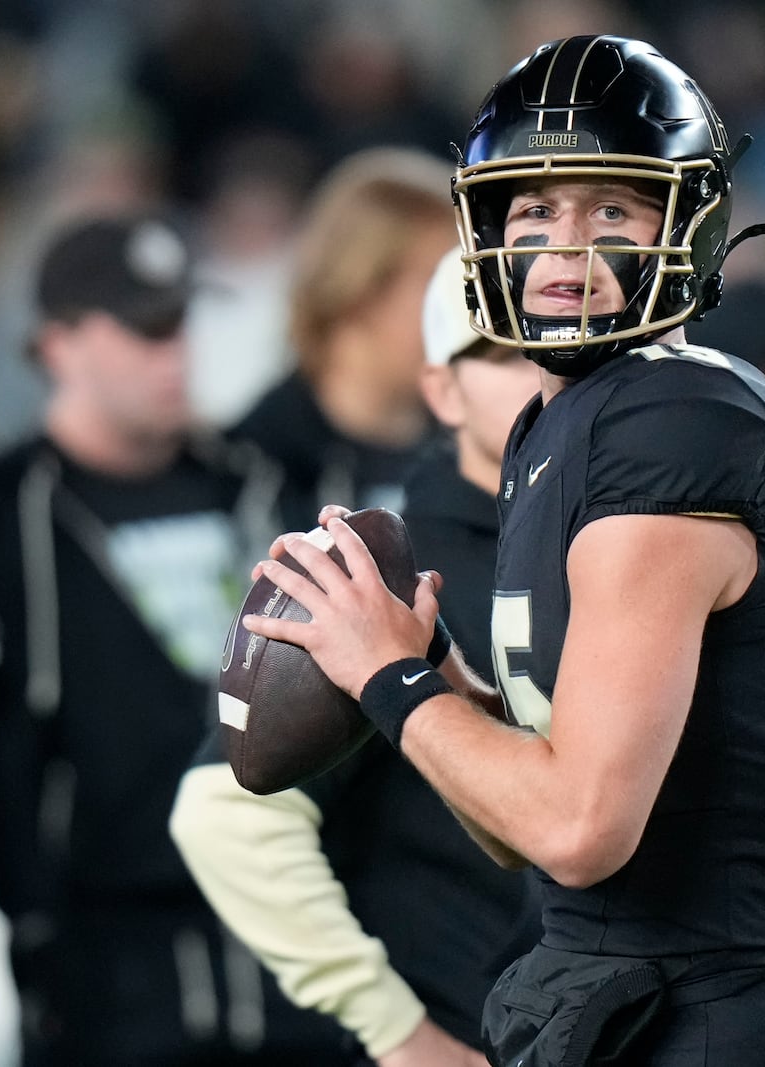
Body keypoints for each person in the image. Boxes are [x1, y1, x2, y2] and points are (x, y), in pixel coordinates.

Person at [243, 35, 765, 1067]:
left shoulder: (676, 418)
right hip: (629, 994)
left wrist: (392, 676)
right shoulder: (558, 423)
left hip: (715, 1008)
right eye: (536, 209)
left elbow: (584, 824)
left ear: (682, 227)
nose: (565, 247)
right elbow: (525, 824)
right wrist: (442, 677)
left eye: (611, 209)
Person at [0, 214, 336, 1065]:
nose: (177, 354)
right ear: (60, 344)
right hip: (106, 955)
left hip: (285, 920)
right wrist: (32, 922)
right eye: (146, 329)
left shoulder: (253, 479)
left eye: (182, 322)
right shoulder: (2, 512)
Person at [169, 250, 543, 1066]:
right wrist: (402, 1037)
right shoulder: (384, 576)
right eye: (510, 351)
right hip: (475, 1025)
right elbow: (223, 812)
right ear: (441, 388)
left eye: (567, 345)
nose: (548, 373)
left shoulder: (621, 546)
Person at [230, 147, 459, 526]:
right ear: (358, 288)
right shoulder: (253, 468)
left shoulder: (478, 447)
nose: (467, 311)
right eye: (440, 284)